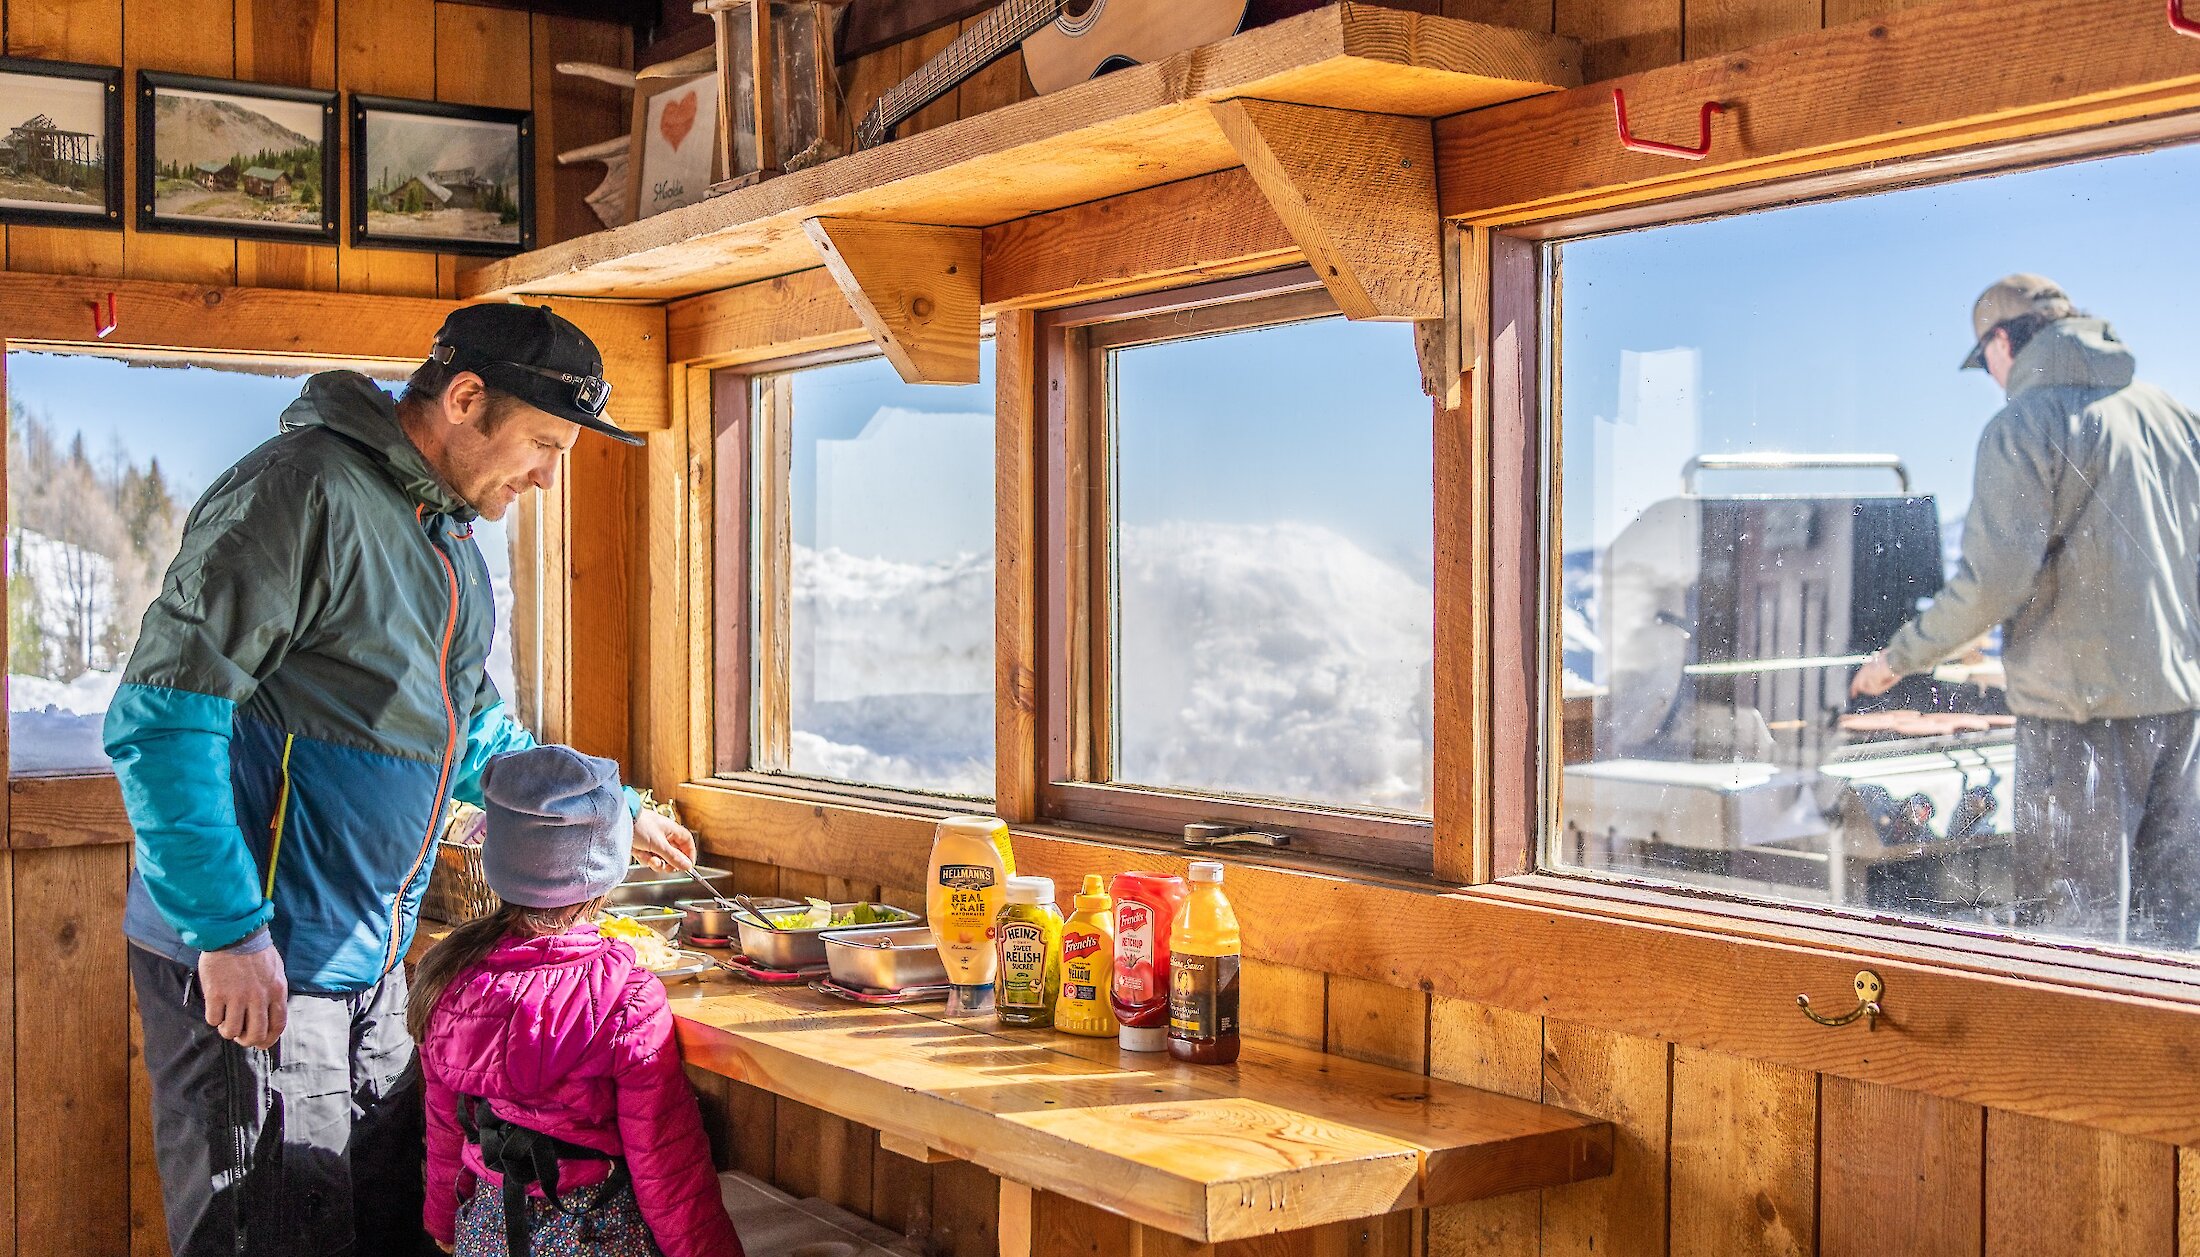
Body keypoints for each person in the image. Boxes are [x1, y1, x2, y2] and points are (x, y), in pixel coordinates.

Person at [106, 303, 702, 1257]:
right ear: (465, 399)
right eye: (545, 443)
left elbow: (472, 735)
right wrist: (226, 931)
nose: (550, 475)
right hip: (259, 960)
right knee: (270, 1238)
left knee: (384, 1230)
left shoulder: (448, 543)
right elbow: (163, 717)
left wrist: (610, 811)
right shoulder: (298, 493)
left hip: (373, 969)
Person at [1852, 274, 2200, 947]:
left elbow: (1992, 584)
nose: (1989, 375)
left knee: (2075, 943)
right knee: (2176, 938)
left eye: (1984, 360)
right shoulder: (2174, 417)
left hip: (2078, 720)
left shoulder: (2025, 424)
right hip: (2182, 711)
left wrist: (1898, 658)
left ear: (2003, 341)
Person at [410, 744, 743, 1257]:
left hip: (487, 1232)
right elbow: (665, 1162)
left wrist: (443, 1225)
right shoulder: (629, 1000)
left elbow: (444, 1124)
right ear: (606, 870)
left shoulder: (448, 976)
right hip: (594, 1233)